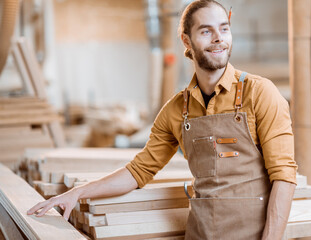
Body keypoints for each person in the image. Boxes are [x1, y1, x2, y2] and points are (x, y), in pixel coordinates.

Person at [28, 0, 297, 239]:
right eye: (206, 31)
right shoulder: (176, 109)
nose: (219, 38)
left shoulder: (260, 93)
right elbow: (138, 171)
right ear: (186, 41)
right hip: (201, 234)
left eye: (224, 28)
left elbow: (284, 177)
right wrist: (77, 192)